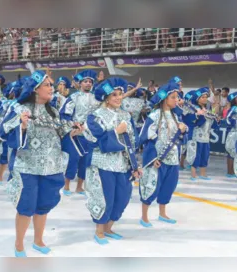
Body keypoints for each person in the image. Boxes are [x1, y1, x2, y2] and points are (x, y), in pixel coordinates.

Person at [0, 70, 85, 257]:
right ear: (36, 89)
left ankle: (38, 240)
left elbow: (62, 135)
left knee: (44, 204)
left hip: (51, 166)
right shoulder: (20, 109)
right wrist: (21, 126)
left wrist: (74, 132)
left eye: (52, 85)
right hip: (26, 166)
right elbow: (2, 132)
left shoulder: (53, 112)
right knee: (25, 206)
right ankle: (19, 243)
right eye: (47, 85)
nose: (52, 88)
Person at [84, 78, 141, 244]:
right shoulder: (95, 116)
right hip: (103, 164)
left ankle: (109, 227)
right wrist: (116, 131)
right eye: (114, 95)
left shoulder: (125, 115)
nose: (118, 97)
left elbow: (132, 141)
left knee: (122, 197)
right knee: (104, 197)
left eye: (120, 94)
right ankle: (100, 230)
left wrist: (134, 165)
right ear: (106, 97)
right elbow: (97, 141)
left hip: (122, 164)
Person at [139, 82, 188, 227]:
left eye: (177, 97)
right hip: (158, 159)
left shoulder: (176, 115)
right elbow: (145, 137)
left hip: (173, 159)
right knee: (151, 186)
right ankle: (144, 216)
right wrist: (152, 157)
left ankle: (162, 213)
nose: (176, 100)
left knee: (168, 186)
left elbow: (181, 137)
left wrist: (184, 129)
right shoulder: (154, 115)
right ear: (164, 99)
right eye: (173, 97)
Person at [59, 69, 99, 196]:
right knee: (73, 159)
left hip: (89, 134)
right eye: (85, 81)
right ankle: (66, 186)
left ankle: (79, 187)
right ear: (80, 83)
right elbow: (65, 114)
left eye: (90, 82)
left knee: (86, 161)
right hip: (75, 134)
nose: (88, 83)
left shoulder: (96, 98)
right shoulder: (73, 97)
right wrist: (72, 126)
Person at [188, 88, 220, 180]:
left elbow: (212, 125)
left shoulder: (206, 110)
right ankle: (193, 174)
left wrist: (216, 119)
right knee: (195, 155)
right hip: (196, 137)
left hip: (206, 137)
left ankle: (203, 173)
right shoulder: (194, 109)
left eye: (206, 97)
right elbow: (192, 122)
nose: (205, 99)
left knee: (205, 155)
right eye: (203, 97)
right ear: (197, 99)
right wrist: (200, 115)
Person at [224, 92, 237, 178]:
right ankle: (230, 171)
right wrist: (234, 124)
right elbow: (227, 118)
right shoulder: (234, 108)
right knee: (231, 152)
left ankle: (233, 171)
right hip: (233, 133)